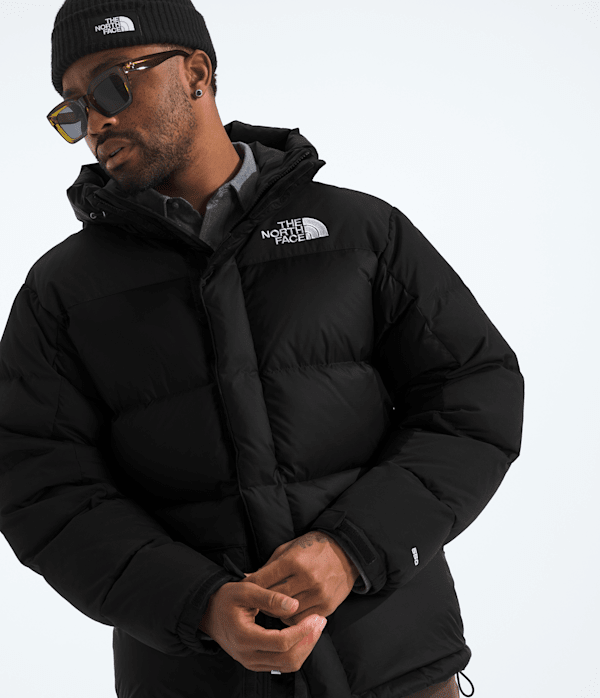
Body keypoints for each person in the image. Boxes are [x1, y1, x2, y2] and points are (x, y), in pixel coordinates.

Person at [0, 1, 524, 697]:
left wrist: (353, 548)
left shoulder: (359, 232)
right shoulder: (63, 293)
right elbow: (40, 487)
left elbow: (474, 394)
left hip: (397, 671)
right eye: (73, 109)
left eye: (110, 86)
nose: (94, 122)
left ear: (196, 73)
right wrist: (198, 604)